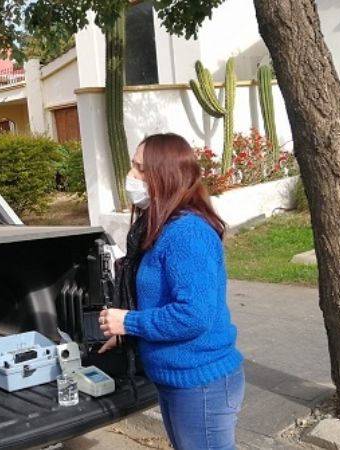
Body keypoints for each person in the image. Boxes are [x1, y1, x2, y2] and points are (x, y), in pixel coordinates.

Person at [99, 133, 245, 450]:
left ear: (164, 175)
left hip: (201, 383)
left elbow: (194, 314)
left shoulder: (186, 233)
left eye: (140, 169)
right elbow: (158, 298)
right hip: (178, 380)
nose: (130, 176)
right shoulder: (162, 225)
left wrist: (129, 322)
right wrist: (126, 334)